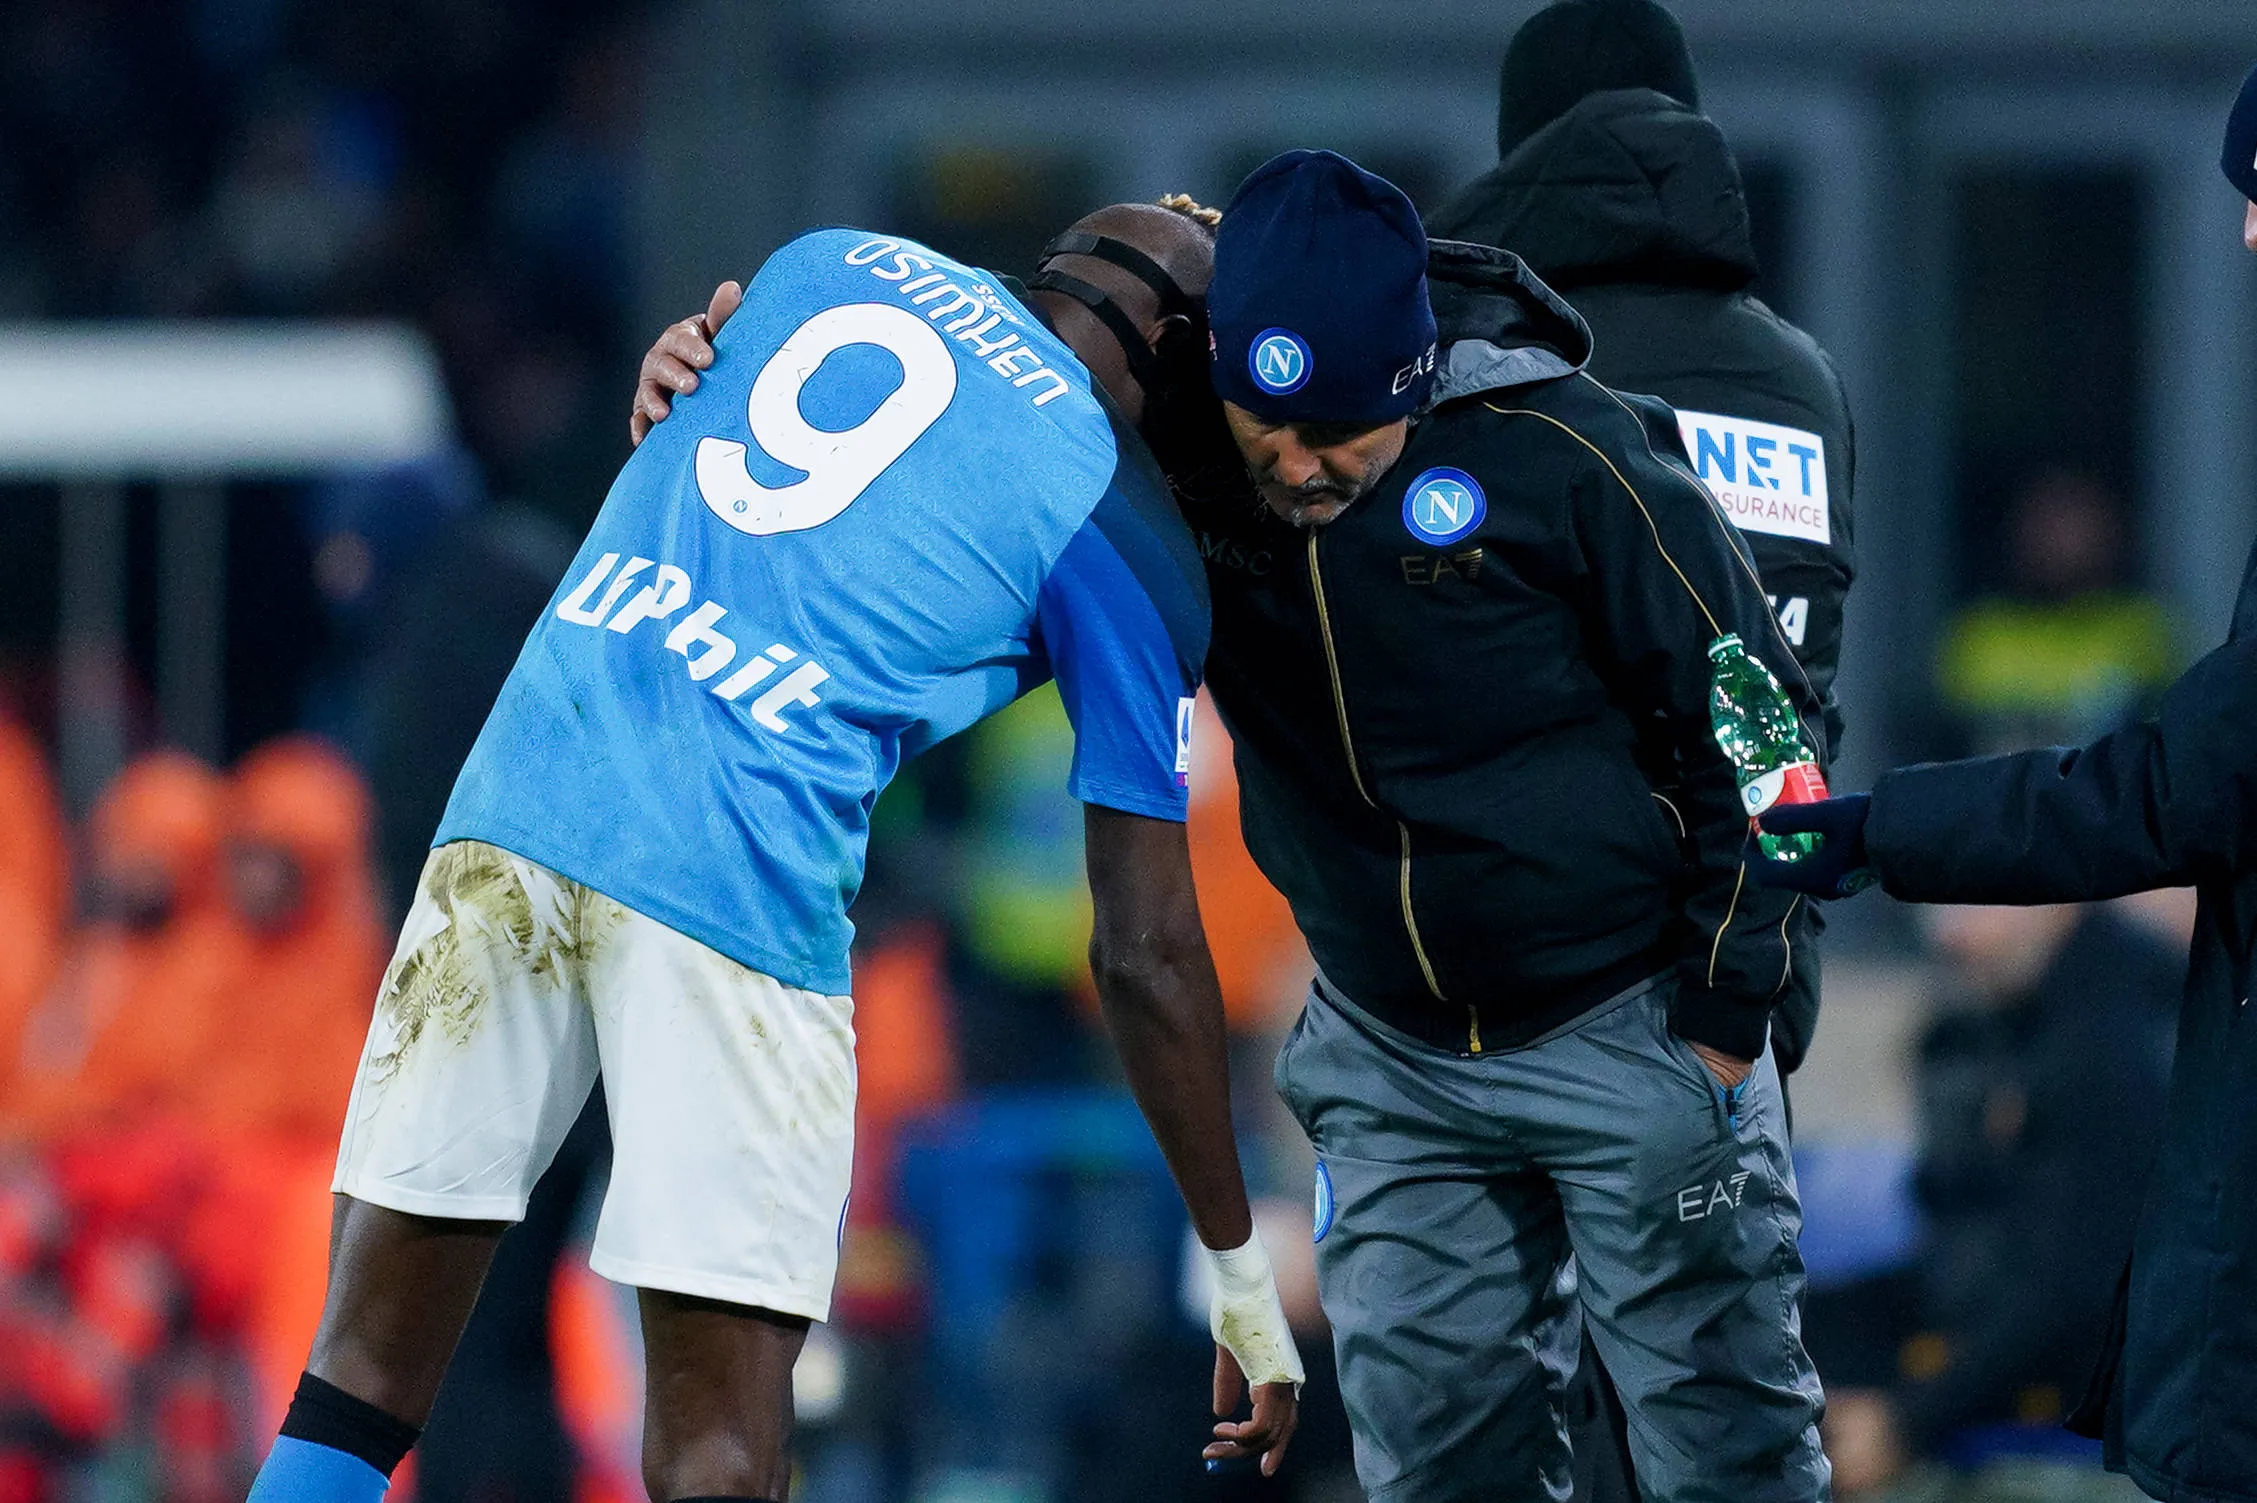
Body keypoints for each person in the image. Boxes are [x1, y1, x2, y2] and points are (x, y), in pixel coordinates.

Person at [637, 145, 1830, 1503]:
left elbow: (1766, 730)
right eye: (1271, 429)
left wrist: (1731, 1011)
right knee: (1439, 1466)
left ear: (1417, 374)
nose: (1301, 466)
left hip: (1629, 1019)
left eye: (1341, 438)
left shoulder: (1563, 450)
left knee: (1721, 1454)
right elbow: (958, 376)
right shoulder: (1186, 460)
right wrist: (715, 371)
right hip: (1398, 1062)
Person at [247, 205, 1304, 1503]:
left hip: (520, 797)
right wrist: (1240, 1269)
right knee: (722, 1448)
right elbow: (1143, 945)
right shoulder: (1130, 529)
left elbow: (697, 424)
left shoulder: (826, 261)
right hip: (735, 876)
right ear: (1181, 353)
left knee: (358, 1378)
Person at [1750, 62, 2257, 1503]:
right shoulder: (1994, 1035)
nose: (2246, 239)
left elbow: (2166, 789)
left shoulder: (2091, 1040)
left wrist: (1873, 828)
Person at [1808, 904, 2176, 1499]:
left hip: (2098, 1427)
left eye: (1976, 903)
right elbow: (1966, 1263)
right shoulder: (1999, 1020)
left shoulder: (2113, 1042)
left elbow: (2079, 1291)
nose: (1952, 935)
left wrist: (1909, 1422)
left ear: (2057, 898)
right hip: (2004, 1364)